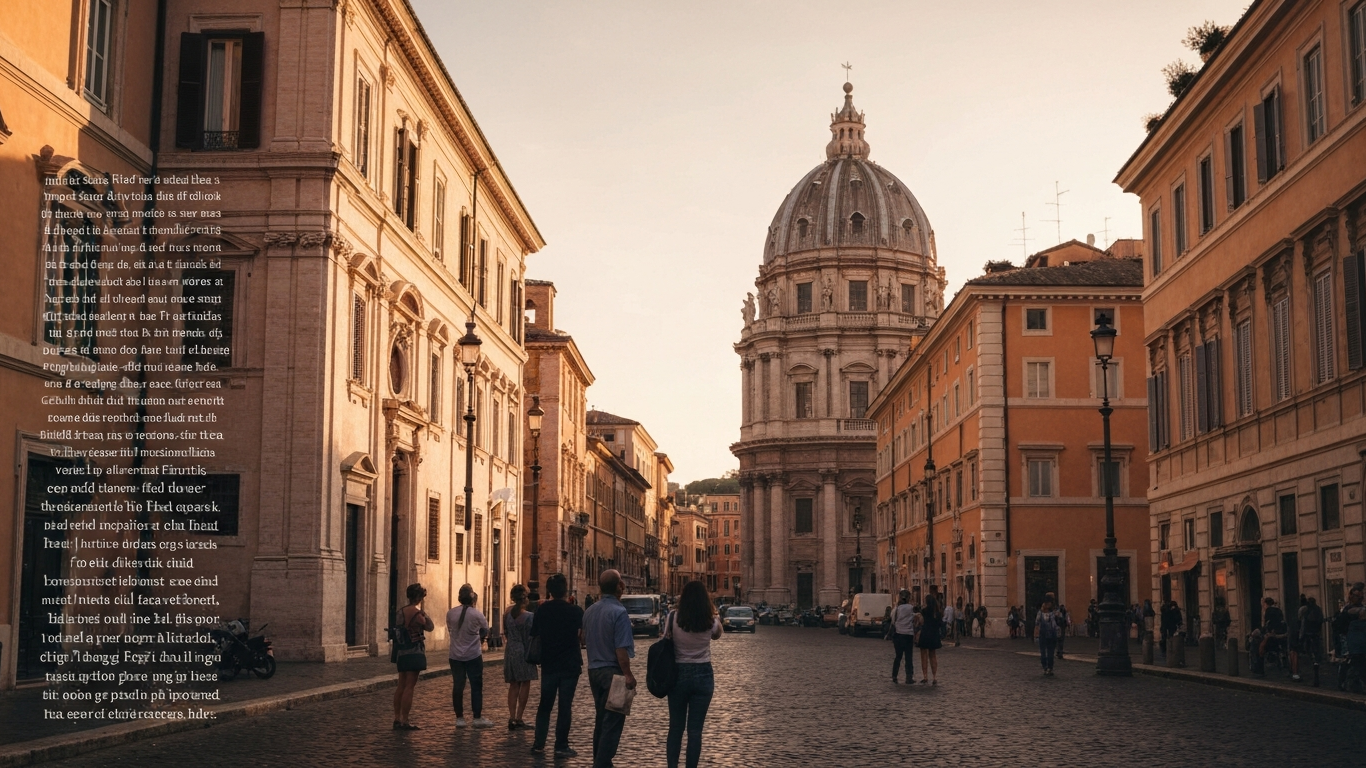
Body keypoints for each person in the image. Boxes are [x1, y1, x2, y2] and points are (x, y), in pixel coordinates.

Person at [664, 580, 721, 768]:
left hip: (678, 674)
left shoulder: (673, 617)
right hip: (703, 674)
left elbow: (666, 639)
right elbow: (717, 634)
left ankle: (672, 766)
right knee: (695, 731)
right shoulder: (711, 620)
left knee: (675, 728)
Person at [583, 569, 636, 768]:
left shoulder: (590, 610)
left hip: (594, 670)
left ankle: (599, 759)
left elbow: (583, 638)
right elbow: (620, 649)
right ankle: (602, 762)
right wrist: (628, 675)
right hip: (613, 671)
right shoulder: (619, 612)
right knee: (613, 721)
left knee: (601, 718)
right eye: (621, 582)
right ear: (618, 587)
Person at [531, 573, 584, 759]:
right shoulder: (576, 611)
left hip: (549, 663)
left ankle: (539, 743)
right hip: (570, 663)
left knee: (545, 705)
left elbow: (534, 633)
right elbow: (582, 637)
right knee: (564, 706)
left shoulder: (542, 611)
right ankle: (561, 745)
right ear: (565, 590)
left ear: (549, 591)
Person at [391, 583, 434, 730]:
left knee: (401, 685)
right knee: (410, 686)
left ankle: (396, 718)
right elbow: (430, 626)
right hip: (414, 651)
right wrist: (423, 613)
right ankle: (405, 720)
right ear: (419, 597)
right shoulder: (417, 613)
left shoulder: (400, 612)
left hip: (401, 651)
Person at [449, 584, 492, 728]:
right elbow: (485, 629)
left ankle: (459, 718)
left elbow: (451, 629)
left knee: (458, 686)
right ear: (472, 598)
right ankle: (477, 717)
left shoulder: (450, 613)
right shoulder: (477, 614)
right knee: (476, 686)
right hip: (473, 654)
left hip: (455, 655)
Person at [502, 584, 537, 730]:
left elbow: (506, 632)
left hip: (510, 650)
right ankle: (519, 717)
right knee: (525, 684)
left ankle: (511, 717)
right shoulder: (529, 617)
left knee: (513, 684)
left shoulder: (507, 613)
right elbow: (530, 636)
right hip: (523, 651)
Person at [890, 589, 917, 683]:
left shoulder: (896, 609)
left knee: (898, 656)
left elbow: (893, 620)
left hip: (898, 634)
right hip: (908, 634)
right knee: (908, 657)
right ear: (909, 598)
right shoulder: (911, 608)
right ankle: (909, 676)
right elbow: (914, 618)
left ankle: (894, 675)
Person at [1297, 595, 1324, 686]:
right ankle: (1316, 666)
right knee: (1316, 654)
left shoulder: (1305, 610)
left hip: (1308, 635)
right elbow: (1321, 621)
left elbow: (1302, 624)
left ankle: (1311, 671)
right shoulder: (1318, 609)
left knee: (1308, 653)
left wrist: (1301, 637)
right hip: (1316, 634)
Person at [917, 593, 942, 685]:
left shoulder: (924, 611)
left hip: (925, 633)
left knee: (924, 656)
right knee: (933, 656)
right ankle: (935, 677)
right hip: (934, 634)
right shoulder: (937, 613)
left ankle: (925, 676)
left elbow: (921, 621)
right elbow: (940, 624)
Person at [1037, 593, 1061, 676]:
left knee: (1050, 653)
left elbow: (1058, 621)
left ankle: (1050, 668)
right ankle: (1045, 667)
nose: (1048, 604)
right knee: (1043, 653)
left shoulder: (1054, 613)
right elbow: (1037, 623)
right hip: (1043, 634)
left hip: (1052, 634)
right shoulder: (1040, 613)